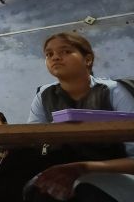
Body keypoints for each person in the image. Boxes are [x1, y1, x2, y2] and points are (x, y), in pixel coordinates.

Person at [25, 32, 134, 201]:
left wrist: (84, 167)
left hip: (115, 173)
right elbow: (33, 141)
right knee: (32, 184)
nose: (55, 57)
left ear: (88, 59)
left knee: (84, 188)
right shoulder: (44, 95)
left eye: (66, 51)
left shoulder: (114, 91)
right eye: (49, 54)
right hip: (64, 170)